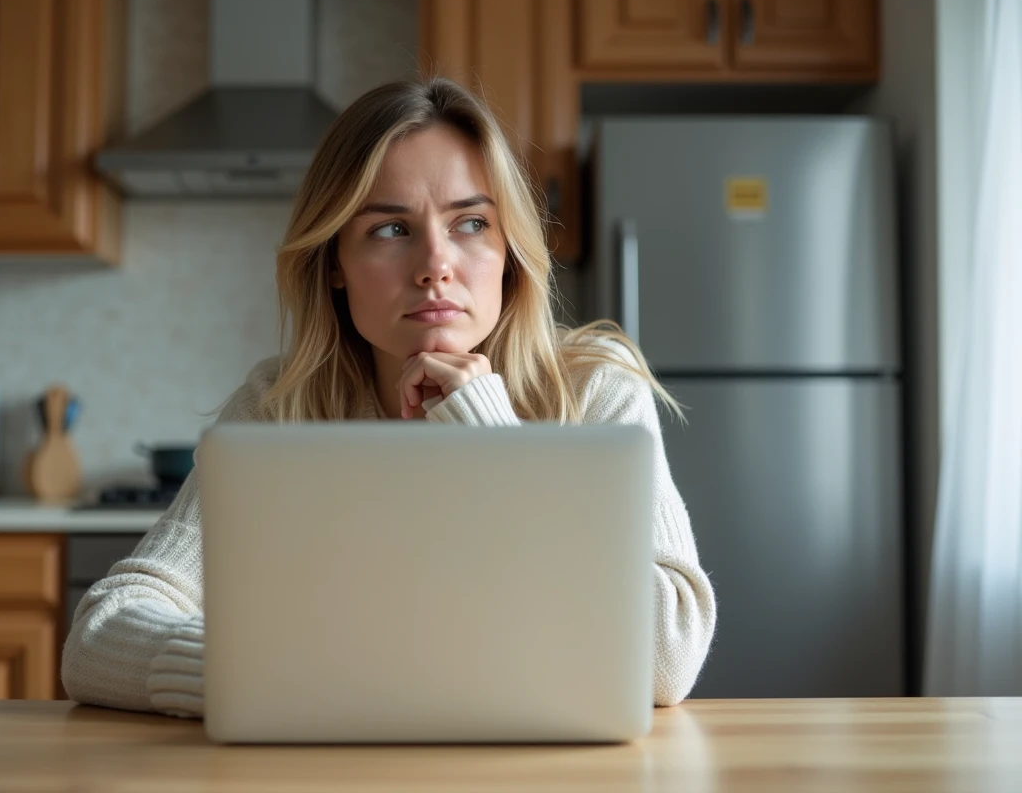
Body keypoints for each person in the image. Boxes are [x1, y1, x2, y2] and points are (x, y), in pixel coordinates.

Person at [62, 78, 716, 717]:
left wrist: (489, 436)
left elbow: (667, 658)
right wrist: (262, 679)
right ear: (336, 265)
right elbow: (99, 635)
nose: (435, 263)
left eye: (470, 222)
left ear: (510, 251)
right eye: (389, 230)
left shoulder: (594, 391)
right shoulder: (279, 408)